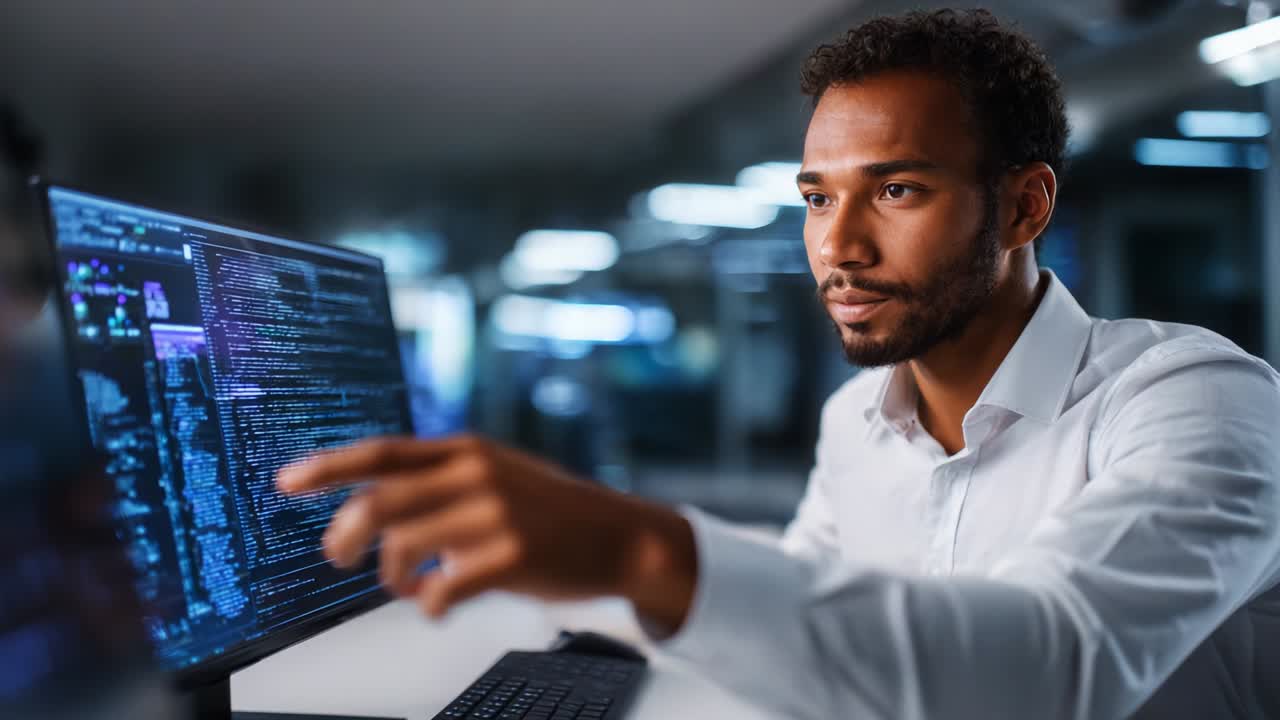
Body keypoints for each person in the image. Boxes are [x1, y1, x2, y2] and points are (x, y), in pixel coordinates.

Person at [278, 9, 1280, 719]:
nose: (836, 244)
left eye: (894, 191)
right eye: (814, 197)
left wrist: (641, 551)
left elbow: (1052, 670)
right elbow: (806, 610)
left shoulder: (1194, 399)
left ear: (1022, 206)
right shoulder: (856, 420)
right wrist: (599, 603)